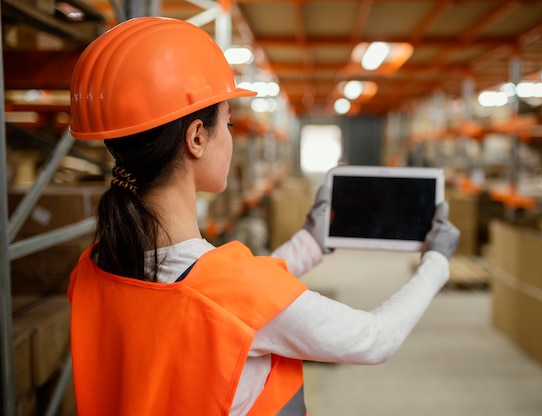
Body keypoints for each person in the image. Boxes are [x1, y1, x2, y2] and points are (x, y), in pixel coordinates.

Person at [67, 16, 460, 416]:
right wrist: (437, 261)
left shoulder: (91, 269)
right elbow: (373, 338)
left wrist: (309, 242)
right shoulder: (233, 291)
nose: (233, 137)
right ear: (197, 138)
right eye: (230, 122)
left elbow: (228, 298)